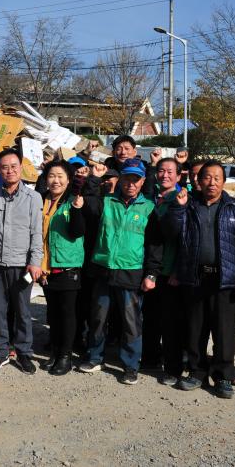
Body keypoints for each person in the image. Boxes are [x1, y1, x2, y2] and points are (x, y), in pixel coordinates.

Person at [166, 160, 235, 398]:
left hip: (225, 278)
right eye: (207, 177)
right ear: (199, 180)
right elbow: (172, 234)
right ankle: (196, 371)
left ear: (224, 182)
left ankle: (223, 375)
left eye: (217, 178)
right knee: (195, 328)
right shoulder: (188, 205)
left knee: (224, 331)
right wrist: (177, 209)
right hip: (195, 277)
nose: (212, 182)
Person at [79, 158, 159, 386]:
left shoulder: (149, 208)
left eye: (136, 180)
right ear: (120, 179)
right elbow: (87, 204)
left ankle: (130, 366)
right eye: (127, 179)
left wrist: (151, 273)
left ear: (142, 182)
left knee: (130, 322)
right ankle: (95, 357)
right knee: (98, 317)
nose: (130, 184)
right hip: (103, 269)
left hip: (131, 272)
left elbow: (154, 245)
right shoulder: (106, 202)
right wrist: (94, 179)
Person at [0, 148, 43, 374]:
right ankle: (1, 351)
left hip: (21, 264)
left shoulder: (33, 197)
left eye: (13, 166)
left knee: (23, 311)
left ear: (21, 167)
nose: (9, 171)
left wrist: (35, 261)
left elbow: (37, 233)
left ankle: (24, 352)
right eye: (4, 167)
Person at [37, 160, 86, 376]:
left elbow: (77, 231)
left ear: (68, 180)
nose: (55, 180)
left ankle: (66, 356)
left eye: (60, 176)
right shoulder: (42, 200)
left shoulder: (73, 200)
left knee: (67, 313)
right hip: (46, 266)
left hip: (67, 265)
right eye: (51, 176)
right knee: (53, 313)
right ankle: (55, 352)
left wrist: (76, 210)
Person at [140, 157, 184, 376]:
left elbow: (184, 241)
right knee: (150, 318)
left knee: (171, 322)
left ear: (178, 176)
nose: (164, 175)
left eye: (170, 171)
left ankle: (172, 366)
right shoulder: (151, 198)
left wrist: (177, 270)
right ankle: (150, 359)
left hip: (169, 271)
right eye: (161, 171)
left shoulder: (181, 200)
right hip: (149, 268)